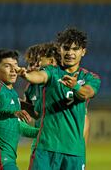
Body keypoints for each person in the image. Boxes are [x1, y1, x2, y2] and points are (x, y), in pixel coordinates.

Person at [16, 28, 101, 170]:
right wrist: (26, 75)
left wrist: (76, 86)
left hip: (73, 151)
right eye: (66, 48)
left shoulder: (90, 78)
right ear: (60, 50)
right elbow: (39, 76)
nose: (70, 53)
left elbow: (87, 93)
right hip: (45, 148)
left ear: (83, 51)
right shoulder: (52, 72)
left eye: (75, 49)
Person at [0, 49, 38, 170]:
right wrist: (13, 113)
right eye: (7, 66)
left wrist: (41, 132)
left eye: (15, 65)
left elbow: (17, 126)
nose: (13, 70)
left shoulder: (11, 92)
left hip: (6, 157)